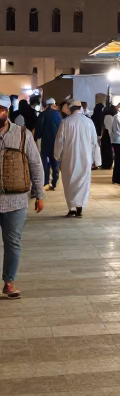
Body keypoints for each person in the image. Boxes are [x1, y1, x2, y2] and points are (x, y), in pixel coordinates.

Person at [0, 103, 44, 298]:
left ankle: (9, 282)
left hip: (16, 201)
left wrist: (39, 194)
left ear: (6, 118)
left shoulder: (23, 134)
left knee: (13, 242)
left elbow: (35, 163)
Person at [52, 103, 100, 218]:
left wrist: (57, 156)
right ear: (81, 108)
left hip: (69, 158)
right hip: (86, 158)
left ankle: (71, 209)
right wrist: (96, 160)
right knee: (83, 182)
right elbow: (94, 142)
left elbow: (59, 142)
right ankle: (79, 208)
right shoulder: (89, 122)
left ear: (70, 109)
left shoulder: (66, 122)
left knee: (69, 183)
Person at [34, 97, 62, 191]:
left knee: (45, 164)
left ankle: (46, 182)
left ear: (47, 105)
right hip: (56, 143)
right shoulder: (58, 115)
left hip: (46, 143)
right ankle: (54, 182)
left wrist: (36, 137)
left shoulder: (42, 115)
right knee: (55, 163)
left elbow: (38, 128)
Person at [99, 101, 117, 169]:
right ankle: (107, 164)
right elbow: (109, 127)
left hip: (106, 135)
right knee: (107, 151)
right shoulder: (109, 116)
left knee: (106, 151)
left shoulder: (106, 116)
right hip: (107, 135)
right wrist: (112, 138)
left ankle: (106, 164)